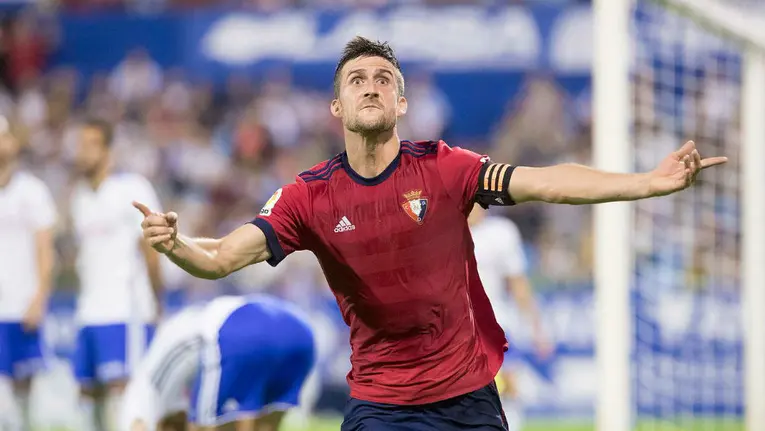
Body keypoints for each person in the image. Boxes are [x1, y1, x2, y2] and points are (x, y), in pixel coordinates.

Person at [133, 37, 727, 430]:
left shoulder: (445, 168)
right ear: (336, 107)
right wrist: (177, 245)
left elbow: (549, 182)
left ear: (402, 100)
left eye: (384, 78)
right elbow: (219, 257)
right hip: (380, 404)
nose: (370, 85)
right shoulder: (307, 196)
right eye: (357, 79)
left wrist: (647, 182)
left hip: (468, 397)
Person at [70, 118, 164, 431]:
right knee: (88, 397)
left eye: (90, 146)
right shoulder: (80, 198)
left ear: (108, 151)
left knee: (125, 398)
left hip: (126, 311)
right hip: (88, 312)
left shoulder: (132, 189)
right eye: (79, 146)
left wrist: (155, 301)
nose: (82, 153)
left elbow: (152, 251)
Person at [120, 294, 316, 431]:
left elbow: (140, 405)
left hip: (237, 329)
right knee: (264, 424)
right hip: (300, 332)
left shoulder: (148, 384)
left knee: (207, 423)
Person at [468, 203, 549, 431]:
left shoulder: (502, 232)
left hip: (497, 324)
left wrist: (537, 329)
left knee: (509, 386)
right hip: (456, 329)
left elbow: (518, 284)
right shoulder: (444, 231)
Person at [0, 121, 56, 430]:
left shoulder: (32, 191)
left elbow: (45, 250)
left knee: (23, 400)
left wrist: (39, 297)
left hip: (22, 306)